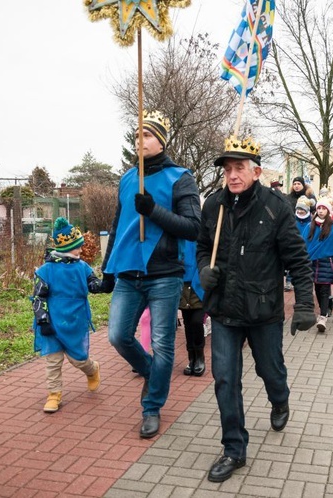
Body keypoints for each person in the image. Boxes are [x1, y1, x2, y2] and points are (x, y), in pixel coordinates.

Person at [197, 136, 316, 483]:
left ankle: (279, 398)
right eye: (227, 169)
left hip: (263, 309)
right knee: (224, 379)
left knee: (270, 369)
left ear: (256, 171)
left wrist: (306, 303)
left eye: (239, 168)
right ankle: (234, 448)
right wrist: (204, 268)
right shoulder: (213, 206)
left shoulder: (275, 206)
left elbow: (297, 258)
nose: (232, 175)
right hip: (224, 308)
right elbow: (203, 247)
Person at [100, 110, 201, 439]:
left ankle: (152, 407)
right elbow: (117, 227)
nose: (138, 140)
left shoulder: (180, 177)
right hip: (129, 274)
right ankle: (151, 374)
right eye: (136, 134)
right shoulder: (128, 178)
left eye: (146, 134)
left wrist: (153, 211)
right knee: (118, 336)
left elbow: (193, 227)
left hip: (164, 275)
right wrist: (107, 270)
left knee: (163, 344)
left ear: (162, 139)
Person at [31, 217, 106, 413]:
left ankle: (92, 369)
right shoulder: (46, 270)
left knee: (78, 359)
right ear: (66, 247)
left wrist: (106, 284)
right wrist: (43, 321)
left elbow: (93, 284)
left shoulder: (82, 267)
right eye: (77, 247)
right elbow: (38, 297)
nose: (80, 251)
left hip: (75, 319)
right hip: (52, 322)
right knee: (53, 360)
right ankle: (54, 394)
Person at [302, 197, 333, 332]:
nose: (320, 211)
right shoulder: (310, 226)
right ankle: (323, 310)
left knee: (325, 290)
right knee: (318, 290)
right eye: (319, 208)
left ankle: (322, 316)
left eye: (323, 208)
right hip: (312, 263)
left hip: (328, 263)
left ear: (328, 210)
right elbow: (303, 245)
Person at [180, 240, 206, 376]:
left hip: (199, 283)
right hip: (182, 283)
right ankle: (192, 358)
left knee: (196, 321)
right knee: (188, 323)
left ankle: (200, 356)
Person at [285, 195, 314, 292]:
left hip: (307, 247)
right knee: (292, 264)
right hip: (294, 246)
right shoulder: (292, 220)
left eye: (303, 209)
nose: (300, 211)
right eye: (299, 209)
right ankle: (289, 281)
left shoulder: (311, 222)